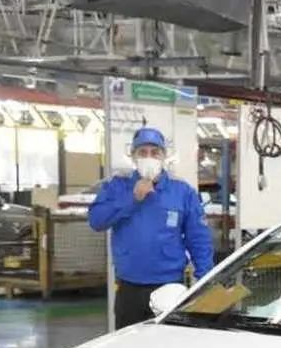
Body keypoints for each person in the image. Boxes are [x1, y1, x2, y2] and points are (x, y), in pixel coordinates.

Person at [89, 126, 214, 330]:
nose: (149, 157)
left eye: (155, 152)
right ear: (133, 156)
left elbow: (198, 238)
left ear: (164, 156)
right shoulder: (117, 186)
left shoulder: (182, 192)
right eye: (143, 152)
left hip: (170, 286)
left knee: (169, 343)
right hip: (129, 287)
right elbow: (96, 221)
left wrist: (205, 280)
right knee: (129, 343)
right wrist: (132, 198)